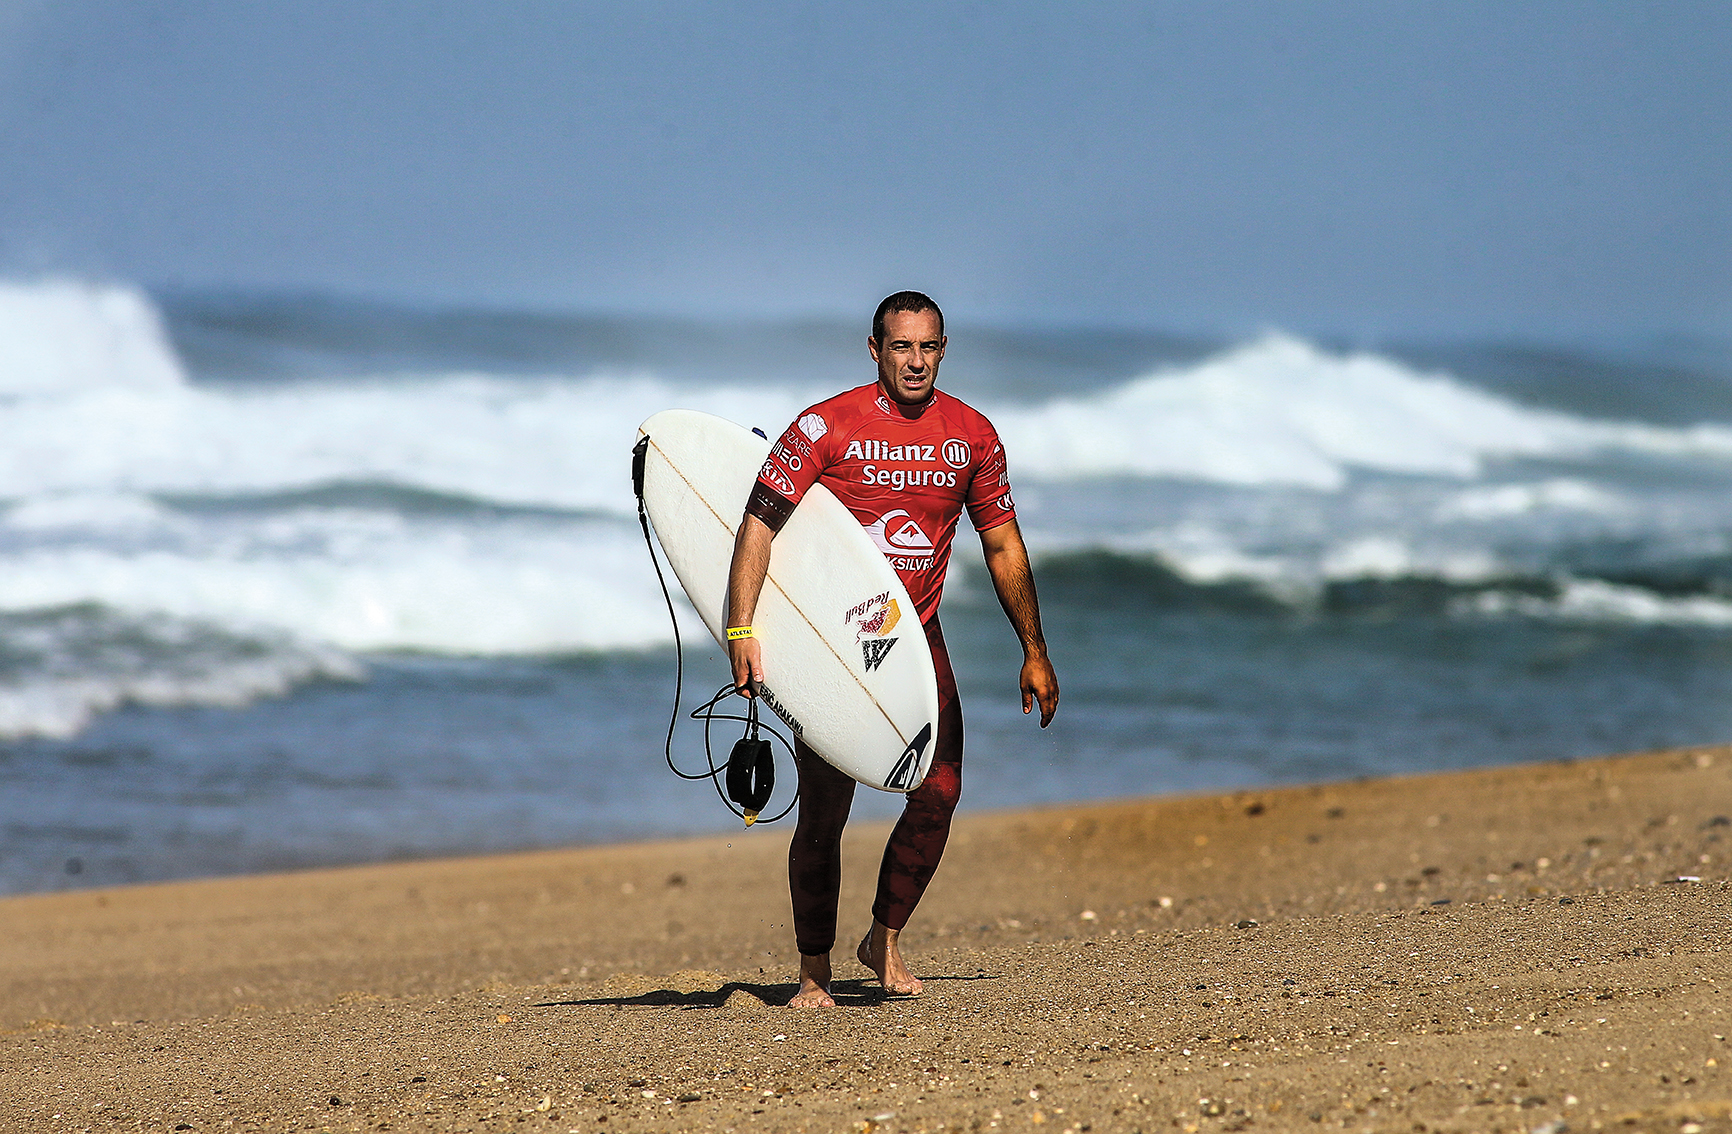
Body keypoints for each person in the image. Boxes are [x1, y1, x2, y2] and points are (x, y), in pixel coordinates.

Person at [725, 291, 1060, 1008]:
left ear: (944, 350)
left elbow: (1001, 543)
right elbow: (759, 523)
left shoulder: (971, 435)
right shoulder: (827, 425)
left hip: (917, 639)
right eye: (901, 346)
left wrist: (1033, 646)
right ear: (874, 349)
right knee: (824, 812)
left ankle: (884, 937)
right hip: (838, 648)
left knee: (938, 791)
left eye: (928, 346)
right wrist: (742, 629)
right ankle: (813, 975)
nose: (915, 360)